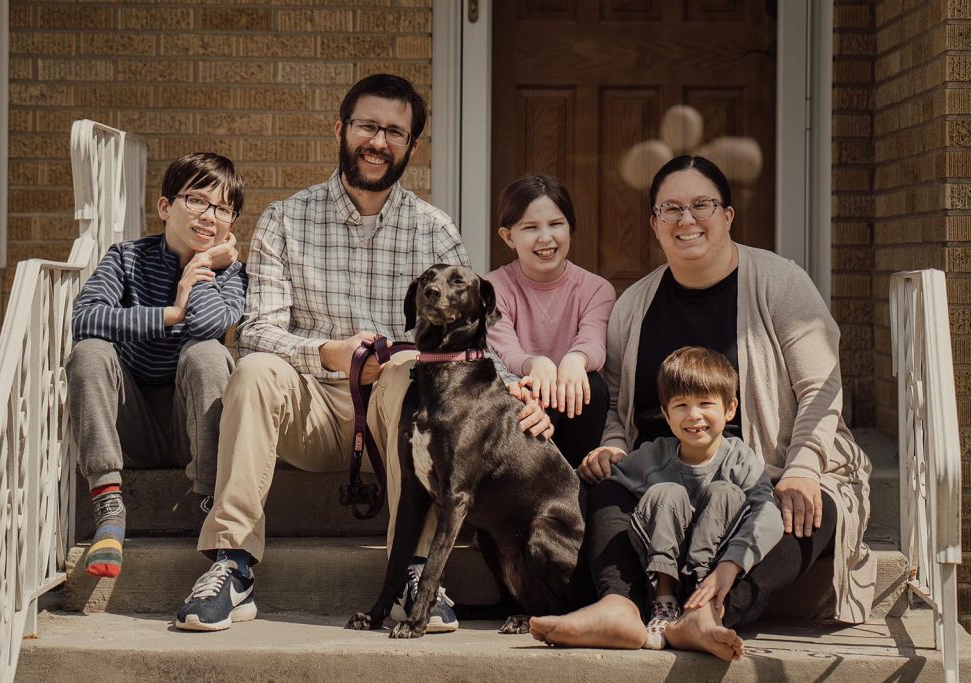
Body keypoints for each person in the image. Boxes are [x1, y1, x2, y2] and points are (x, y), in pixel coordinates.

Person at [175, 74, 553, 632]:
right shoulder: (285, 219)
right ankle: (232, 564)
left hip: (398, 417)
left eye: (394, 132)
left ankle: (416, 571)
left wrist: (513, 398)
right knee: (254, 369)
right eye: (368, 126)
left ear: (411, 146)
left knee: (408, 369)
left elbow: (475, 337)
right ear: (342, 130)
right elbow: (254, 333)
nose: (378, 141)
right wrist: (328, 353)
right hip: (306, 410)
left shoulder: (435, 230)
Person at [529, 155, 873, 661]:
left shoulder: (780, 284)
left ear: (728, 215)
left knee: (806, 508)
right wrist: (614, 445)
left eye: (702, 205)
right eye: (671, 209)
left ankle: (708, 615)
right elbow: (619, 400)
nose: (686, 220)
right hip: (664, 471)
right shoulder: (635, 305)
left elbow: (822, 390)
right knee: (606, 485)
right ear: (654, 224)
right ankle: (619, 608)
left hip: (770, 465)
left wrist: (802, 468)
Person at [67, 152, 247, 578]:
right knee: (91, 350)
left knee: (207, 353)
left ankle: (209, 501)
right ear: (166, 207)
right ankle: (109, 505)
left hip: (193, 431)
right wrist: (170, 312)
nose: (209, 216)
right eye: (197, 200)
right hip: (131, 427)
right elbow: (84, 317)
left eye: (223, 209)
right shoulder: (126, 258)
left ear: (231, 225)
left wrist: (198, 267)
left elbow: (207, 324)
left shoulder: (234, 275)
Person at [590, 346, 782, 655]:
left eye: (706, 403)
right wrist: (593, 461)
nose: (693, 415)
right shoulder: (653, 456)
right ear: (666, 414)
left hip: (714, 569)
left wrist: (732, 564)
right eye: (681, 405)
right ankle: (664, 605)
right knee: (667, 492)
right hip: (660, 562)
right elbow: (611, 483)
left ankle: (697, 608)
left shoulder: (739, 460)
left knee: (725, 492)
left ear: (730, 409)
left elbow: (769, 514)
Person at [485, 175, 616, 469]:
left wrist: (576, 358)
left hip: (577, 412)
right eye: (530, 228)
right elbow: (504, 351)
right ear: (508, 237)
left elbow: (593, 342)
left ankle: (580, 481)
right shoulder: (492, 288)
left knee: (591, 384)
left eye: (556, 224)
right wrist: (534, 363)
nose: (545, 238)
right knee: (526, 389)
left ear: (570, 228)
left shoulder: (596, 289)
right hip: (521, 409)